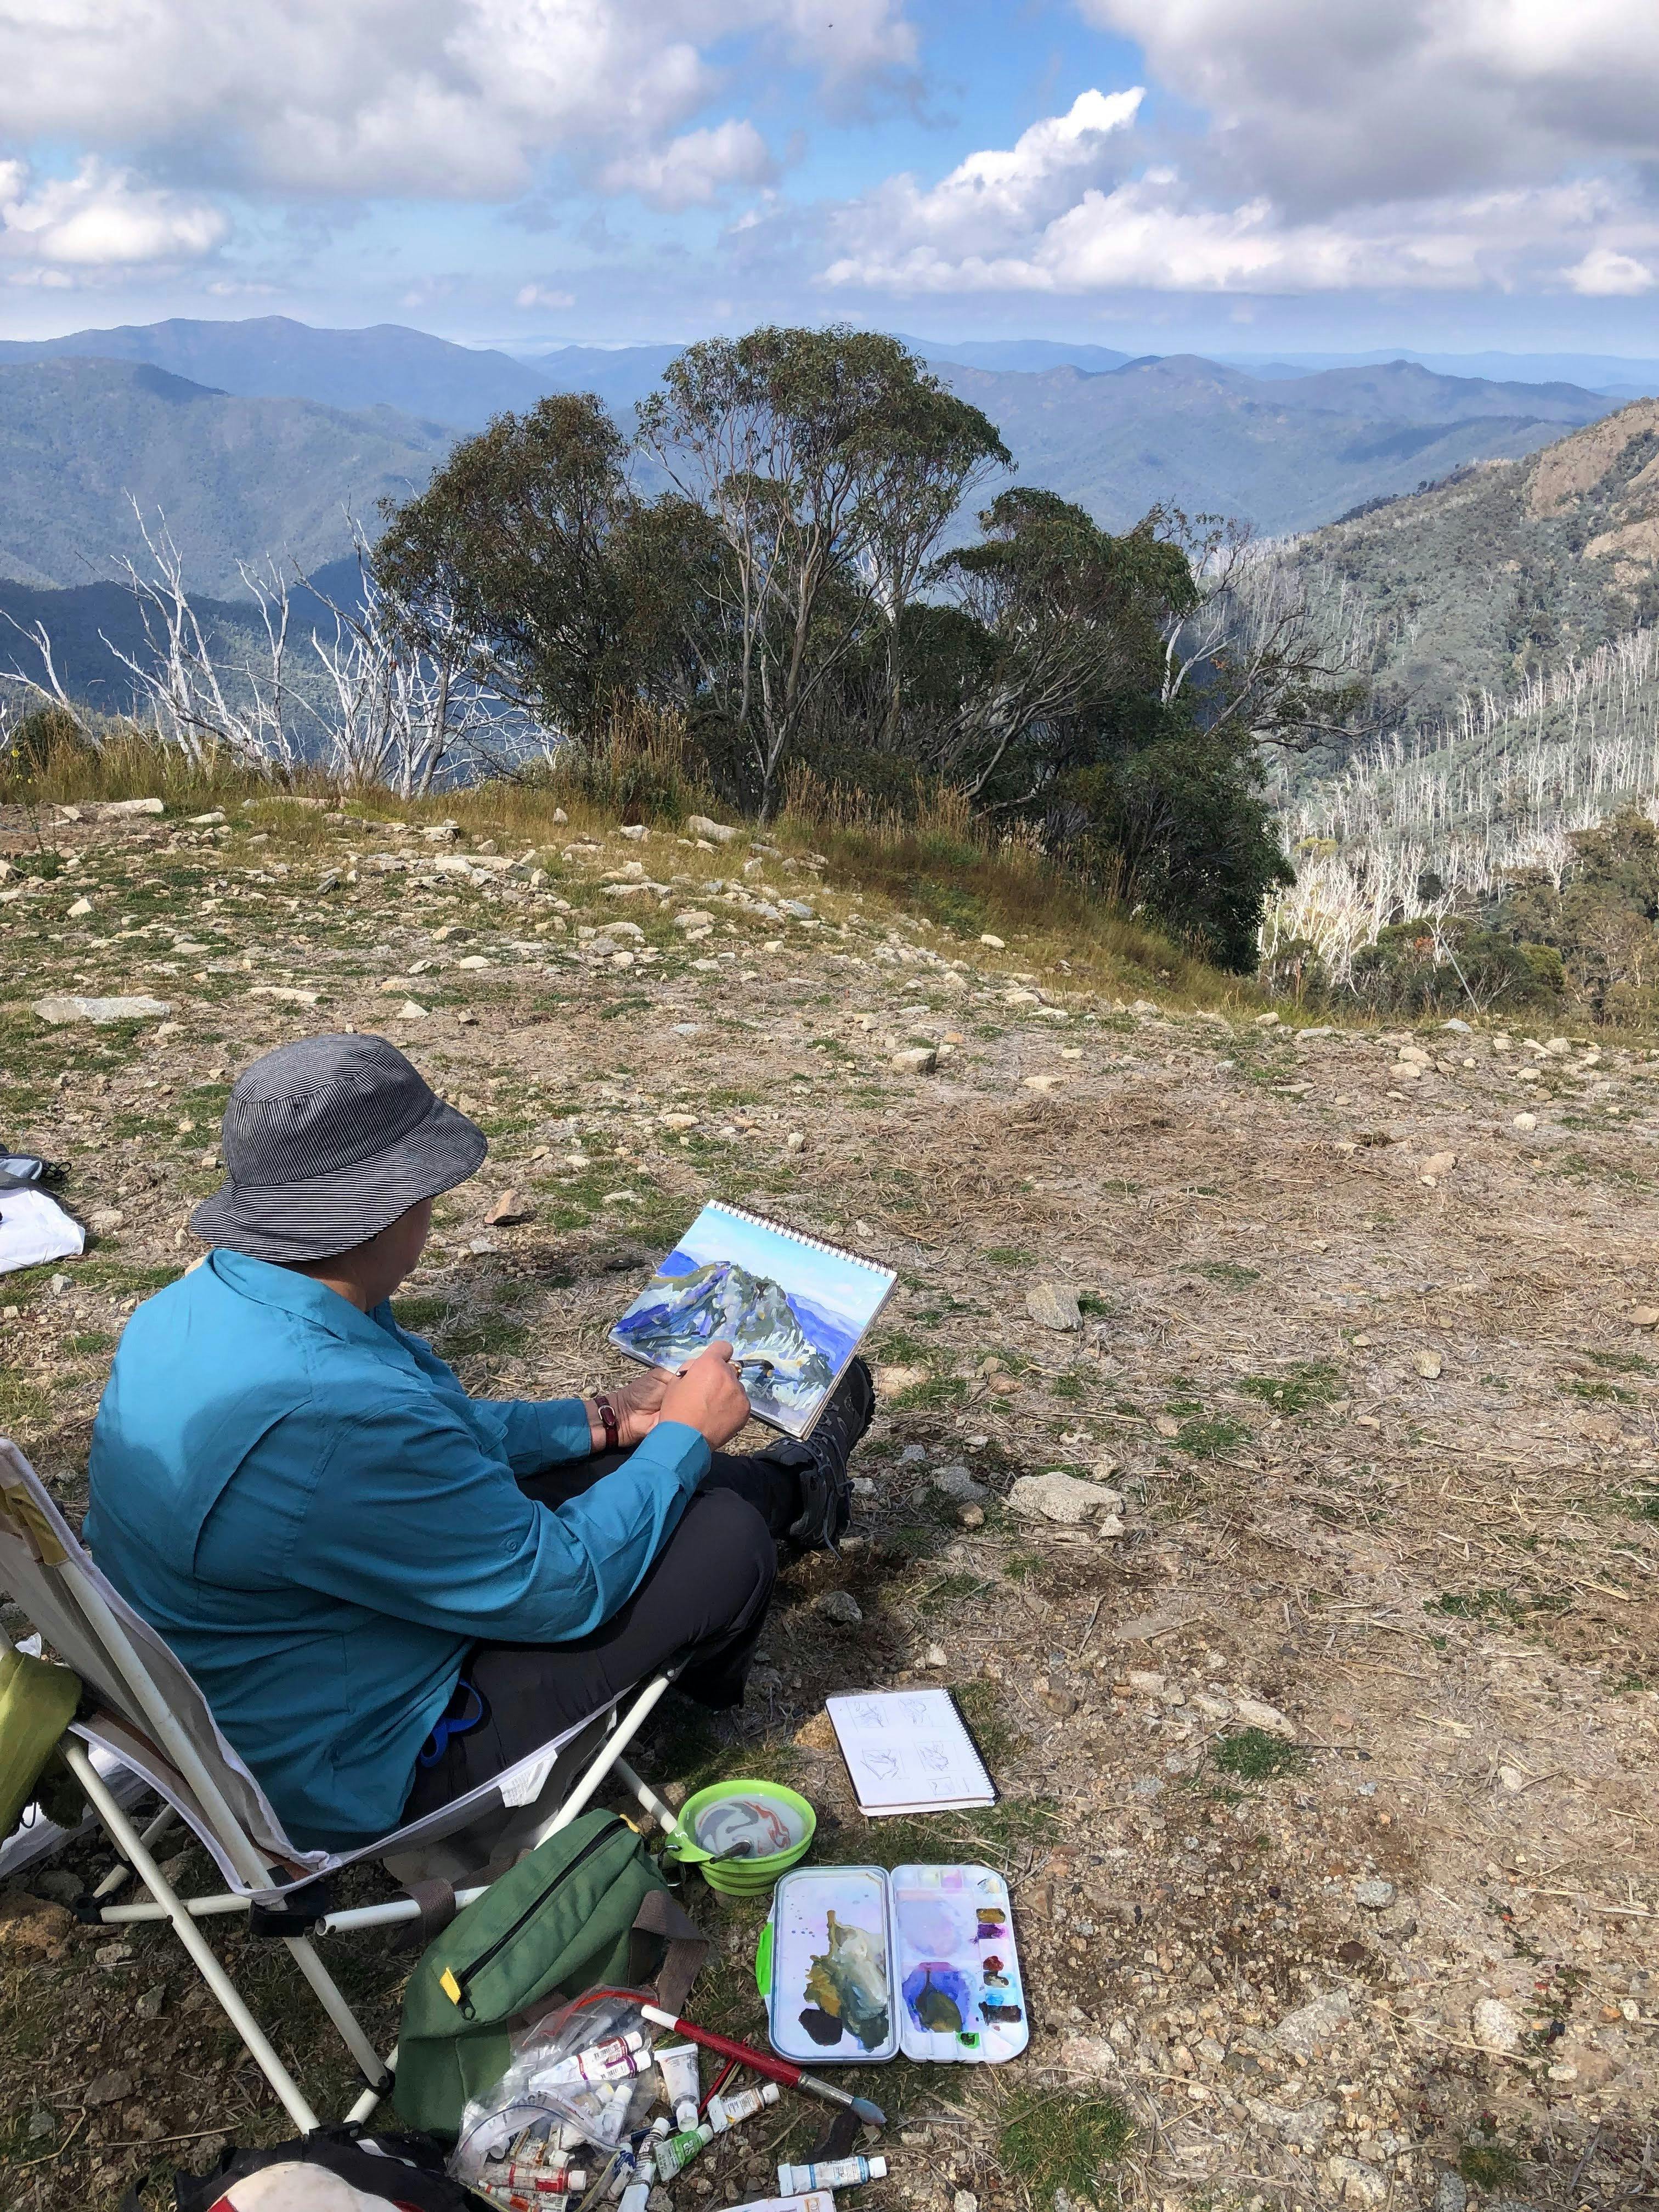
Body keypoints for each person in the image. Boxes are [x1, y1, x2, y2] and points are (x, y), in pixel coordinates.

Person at [84, 1033, 873, 1854]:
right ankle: (789, 1502)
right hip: (351, 1760)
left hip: (254, 1672)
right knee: (722, 1537)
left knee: (626, 1471)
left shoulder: (201, 1308)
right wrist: (680, 1435)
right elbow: (561, 1588)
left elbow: (432, 1436)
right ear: (387, 1209)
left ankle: (799, 1487)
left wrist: (603, 1418)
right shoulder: (337, 1413)